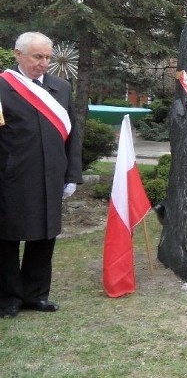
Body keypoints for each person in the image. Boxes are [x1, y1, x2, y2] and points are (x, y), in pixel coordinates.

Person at [0, 32, 82, 319]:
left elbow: (73, 135)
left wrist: (72, 174)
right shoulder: (2, 87)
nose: (44, 63)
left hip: (50, 178)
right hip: (12, 178)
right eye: (37, 56)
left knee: (45, 236)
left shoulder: (61, 87)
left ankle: (36, 294)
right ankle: (9, 297)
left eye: (47, 57)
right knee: (7, 239)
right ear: (18, 55)